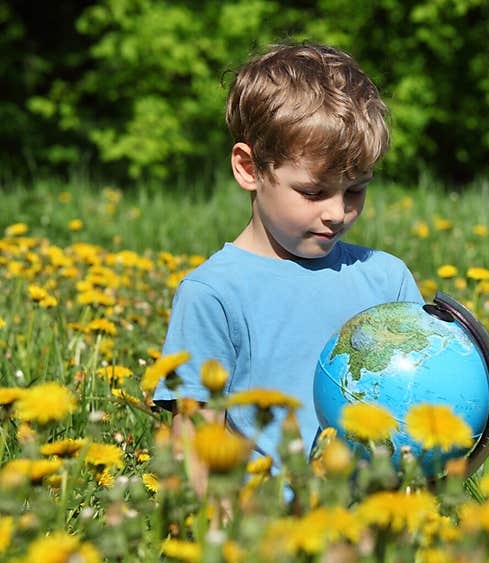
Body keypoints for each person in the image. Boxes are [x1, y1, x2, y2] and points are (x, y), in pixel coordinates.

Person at [151, 40, 424, 490]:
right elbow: (193, 446)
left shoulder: (386, 277)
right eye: (313, 193)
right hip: (262, 530)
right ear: (249, 168)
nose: (337, 212)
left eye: (355, 190)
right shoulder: (213, 294)